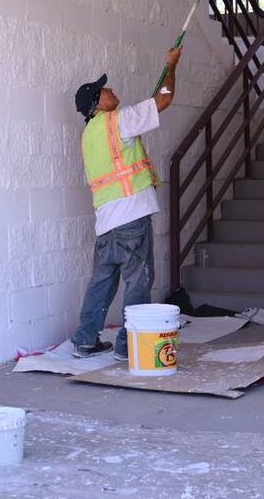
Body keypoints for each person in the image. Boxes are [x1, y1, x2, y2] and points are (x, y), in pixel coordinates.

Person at [70, 46, 183, 358]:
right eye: (103, 90)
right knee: (138, 282)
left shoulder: (90, 133)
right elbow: (165, 99)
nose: (110, 89)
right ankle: (127, 347)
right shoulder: (117, 121)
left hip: (106, 222)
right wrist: (172, 65)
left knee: (101, 282)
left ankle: (85, 340)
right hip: (132, 218)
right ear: (96, 104)